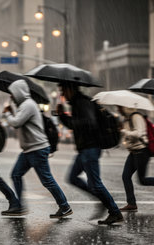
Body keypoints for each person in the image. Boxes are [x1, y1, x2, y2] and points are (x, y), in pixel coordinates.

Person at [4, 80, 72, 218]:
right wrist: (12, 112)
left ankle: (64, 207)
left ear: (19, 92)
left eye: (12, 93)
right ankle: (19, 207)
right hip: (29, 150)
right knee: (16, 174)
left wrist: (8, 114)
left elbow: (16, 123)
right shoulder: (24, 106)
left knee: (47, 180)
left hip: (37, 149)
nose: (11, 96)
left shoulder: (28, 105)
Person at [57, 84, 123, 225]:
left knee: (96, 184)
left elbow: (89, 123)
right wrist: (63, 116)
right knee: (73, 177)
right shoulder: (77, 103)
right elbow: (79, 123)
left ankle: (114, 211)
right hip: (85, 148)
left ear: (70, 89)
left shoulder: (82, 102)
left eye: (63, 90)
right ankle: (102, 202)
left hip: (90, 147)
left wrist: (66, 118)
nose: (62, 93)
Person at [118, 106, 154, 212]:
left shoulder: (136, 117)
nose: (118, 110)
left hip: (142, 151)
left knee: (143, 180)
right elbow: (129, 136)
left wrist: (123, 131)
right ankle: (131, 204)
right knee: (125, 176)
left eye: (119, 108)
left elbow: (139, 134)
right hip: (133, 152)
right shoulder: (126, 119)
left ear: (125, 108)